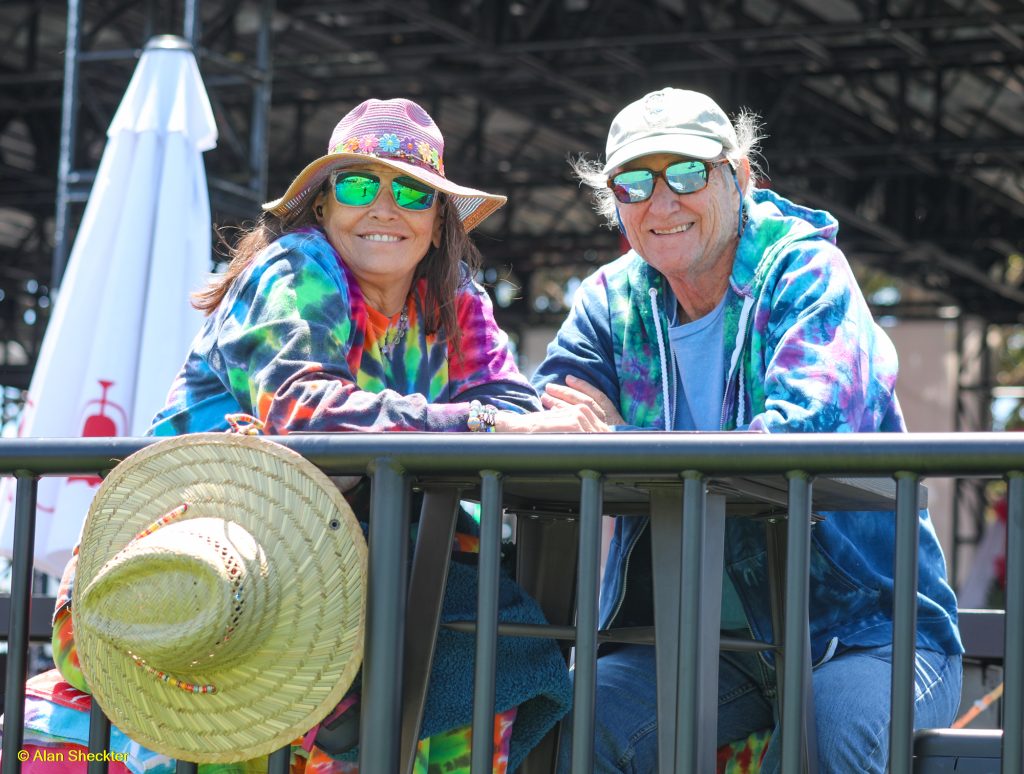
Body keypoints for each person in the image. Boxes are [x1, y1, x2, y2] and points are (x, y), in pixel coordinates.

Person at [35, 97, 603, 774]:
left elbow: (511, 402)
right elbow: (303, 411)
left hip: (361, 586)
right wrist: (482, 423)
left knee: (487, 655)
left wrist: (506, 419)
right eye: (359, 186)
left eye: (413, 192)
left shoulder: (455, 297)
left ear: (438, 222)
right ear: (323, 206)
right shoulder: (296, 266)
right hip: (191, 580)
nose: (385, 209)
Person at [532, 87, 963, 773]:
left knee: (825, 737)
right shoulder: (609, 300)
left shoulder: (806, 270)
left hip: (864, 633)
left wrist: (621, 442)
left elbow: (805, 435)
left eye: (687, 173)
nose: (661, 202)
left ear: (740, 174)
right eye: (634, 182)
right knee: (575, 727)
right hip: (697, 643)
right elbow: (551, 418)